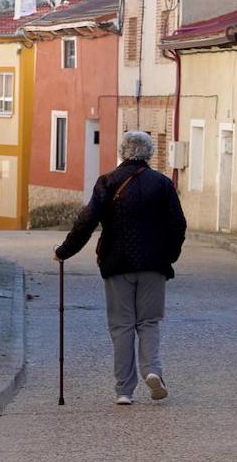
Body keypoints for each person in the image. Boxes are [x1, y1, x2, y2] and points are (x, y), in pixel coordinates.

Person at [53, 131, 187, 405]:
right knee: (148, 322)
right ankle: (152, 370)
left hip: (117, 264)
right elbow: (178, 224)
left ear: (122, 153)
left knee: (122, 326)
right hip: (154, 265)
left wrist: (64, 251)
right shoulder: (162, 184)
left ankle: (124, 390)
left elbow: (87, 221)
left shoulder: (108, 182)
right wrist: (169, 256)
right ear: (149, 153)